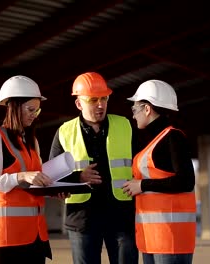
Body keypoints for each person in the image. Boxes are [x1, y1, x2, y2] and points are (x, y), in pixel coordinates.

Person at [49, 72, 139, 264]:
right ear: (79, 104)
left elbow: (143, 164)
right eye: (93, 100)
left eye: (104, 98)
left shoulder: (125, 125)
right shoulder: (64, 132)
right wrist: (78, 177)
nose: (100, 104)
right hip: (83, 219)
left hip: (121, 216)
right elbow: (51, 178)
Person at [0, 75, 59, 264]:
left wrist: (54, 190)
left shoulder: (33, 142)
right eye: (30, 109)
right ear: (14, 107)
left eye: (37, 111)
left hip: (36, 235)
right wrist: (21, 176)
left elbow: (35, 183)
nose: (34, 114)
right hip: (9, 238)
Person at [122, 80, 197, 264]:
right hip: (153, 237)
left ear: (147, 109)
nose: (133, 116)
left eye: (134, 110)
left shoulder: (173, 138)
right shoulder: (153, 142)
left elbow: (186, 181)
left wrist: (142, 185)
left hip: (171, 239)